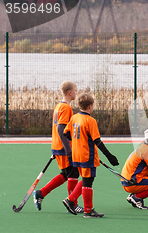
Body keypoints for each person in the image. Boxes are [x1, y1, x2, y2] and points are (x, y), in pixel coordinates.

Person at [62, 93, 119, 218]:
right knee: (88, 181)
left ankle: (70, 200)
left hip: (76, 155)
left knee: (85, 179)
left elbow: (65, 133)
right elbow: (97, 141)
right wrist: (110, 156)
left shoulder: (74, 117)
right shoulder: (90, 121)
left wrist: (78, 141)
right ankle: (87, 211)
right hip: (87, 156)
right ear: (90, 106)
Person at [33, 81, 83, 213]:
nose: (77, 93)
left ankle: (41, 193)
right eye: (76, 90)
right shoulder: (66, 108)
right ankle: (72, 203)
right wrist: (69, 150)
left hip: (57, 145)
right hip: (64, 147)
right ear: (70, 92)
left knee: (66, 174)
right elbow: (61, 129)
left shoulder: (58, 106)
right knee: (73, 173)